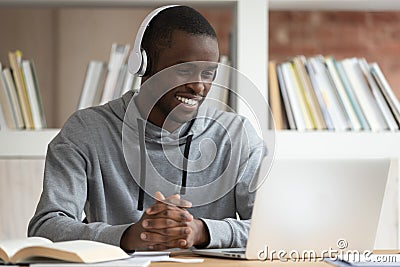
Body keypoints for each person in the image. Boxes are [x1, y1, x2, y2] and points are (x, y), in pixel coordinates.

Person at [28, 5, 266, 251]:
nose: (198, 86)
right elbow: (45, 227)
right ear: (143, 65)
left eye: (208, 73)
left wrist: (202, 231)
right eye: (183, 70)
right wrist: (127, 236)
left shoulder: (237, 135)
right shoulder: (86, 131)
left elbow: (273, 229)